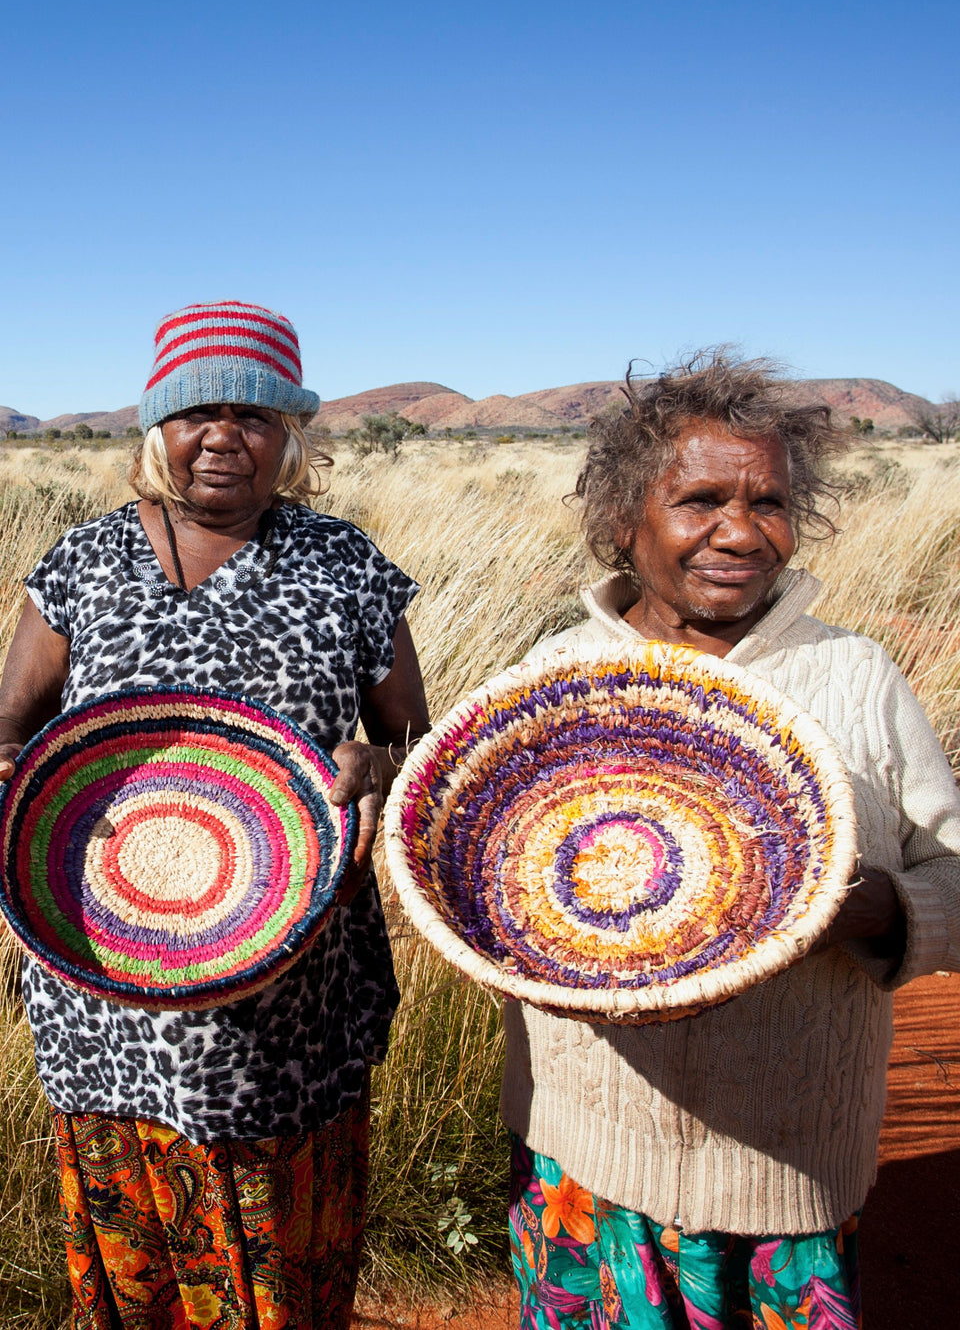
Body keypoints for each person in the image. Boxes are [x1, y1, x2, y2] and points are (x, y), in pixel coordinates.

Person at [500, 352, 960, 1328]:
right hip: (587, 1160)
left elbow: (952, 873)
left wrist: (877, 906)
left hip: (784, 1173)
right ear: (624, 520)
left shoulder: (855, 676)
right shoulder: (551, 680)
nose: (742, 532)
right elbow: (482, 887)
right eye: (701, 498)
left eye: (770, 502)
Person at [0, 301, 430, 1329]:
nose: (224, 435)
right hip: (107, 986)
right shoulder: (84, 563)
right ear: (160, 428)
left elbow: (421, 743)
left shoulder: (348, 566)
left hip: (294, 999)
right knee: (134, 1274)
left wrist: (380, 766)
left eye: (255, 414)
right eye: (199, 411)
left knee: (286, 1270)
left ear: (291, 436)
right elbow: (10, 726)